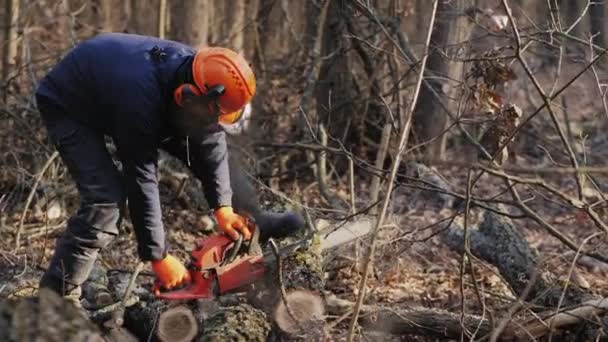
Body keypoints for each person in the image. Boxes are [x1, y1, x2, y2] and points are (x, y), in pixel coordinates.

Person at [35, 33, 304, 302]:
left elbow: (212, 146)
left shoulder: (197, 78)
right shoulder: (139, 99)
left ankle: (253, 222)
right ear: (189, 96)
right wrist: (158, 255)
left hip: (130, 94)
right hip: (69, 102)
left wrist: (224, 208)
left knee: (212, 148)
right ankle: (57, 296)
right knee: (106, 199)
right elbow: (141, 177)